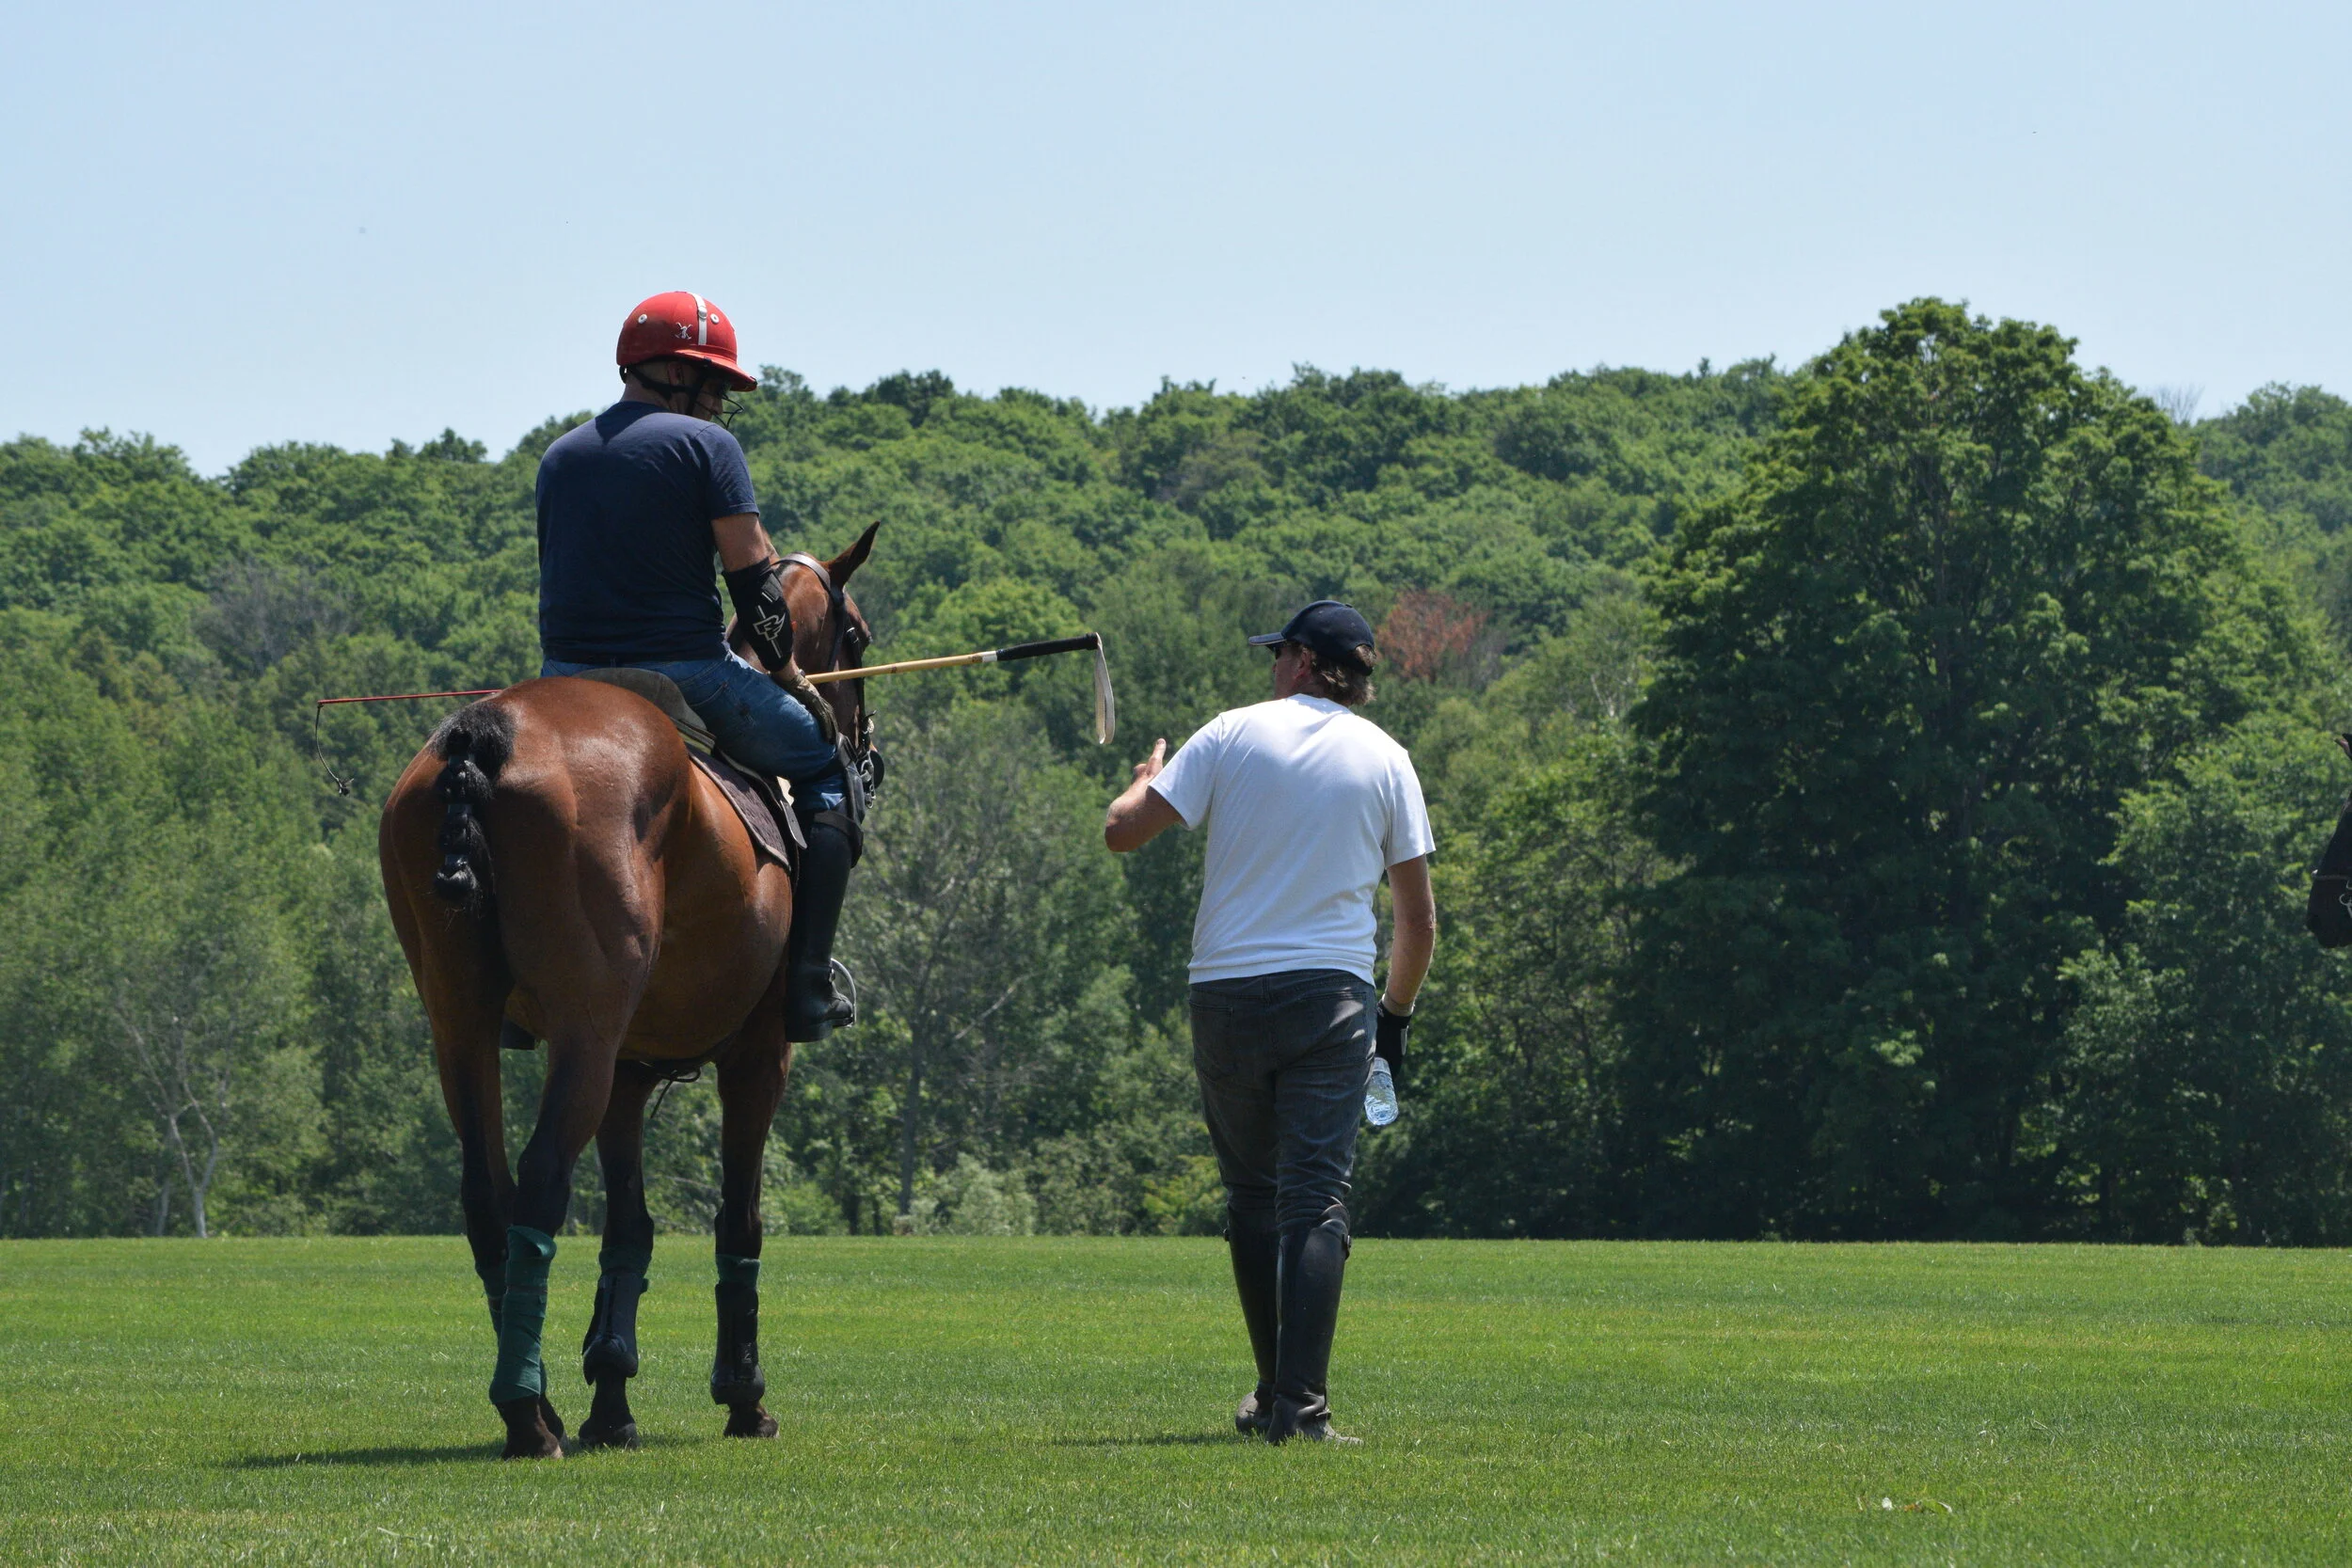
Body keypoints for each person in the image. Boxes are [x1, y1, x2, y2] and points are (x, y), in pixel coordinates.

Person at [1104, 599, 1437, 1443]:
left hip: (1223, 994)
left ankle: (1269, 1391)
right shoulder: (1388, 758)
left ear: (1303, 660)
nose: (1271, 668)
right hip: (1330, 998)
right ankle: (1302, 1410)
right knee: (1315, 1201)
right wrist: (1395, 1016)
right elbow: (1417, 921)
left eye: (1277, 653)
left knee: (1252, 1198)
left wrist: (1145, 778)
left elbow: (1122, 833)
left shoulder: (1229, 731)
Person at [533, 290, 855, 1040]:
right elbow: (756, 588)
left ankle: (510, 985)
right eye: (712, 382)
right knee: (828, 767)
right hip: (689, 673)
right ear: (672, 371)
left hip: (565, 681)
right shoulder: (708, 449)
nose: (717, 401)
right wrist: (786, 671)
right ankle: (807, 985)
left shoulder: (558, 457)